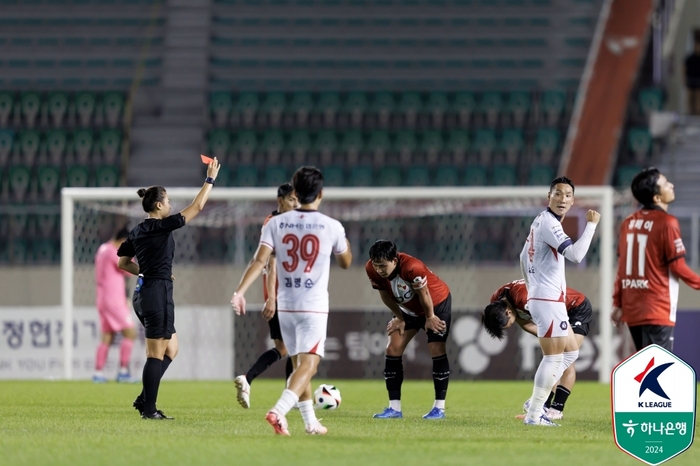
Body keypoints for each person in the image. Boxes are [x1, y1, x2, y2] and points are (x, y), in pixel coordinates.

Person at [230, 166, 352, 436]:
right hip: (313, 306)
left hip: (285, 306)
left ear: (296, 192)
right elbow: (345, 262)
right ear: (320, 194)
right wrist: (343, 242)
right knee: (309, 365)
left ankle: (310, 423)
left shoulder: (275, 223)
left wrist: (239, 292)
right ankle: (278, 411)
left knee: (298, 364)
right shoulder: (331, 225)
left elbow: (259, 261)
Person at [117, 157, 220, 420]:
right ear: (159, 205)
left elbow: (122, 262)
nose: (171, 205)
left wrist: (146, 271)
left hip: (144, 293)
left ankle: (145, 398)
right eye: (169, 201)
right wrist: (209, 179)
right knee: (155, 355)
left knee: (171, 349)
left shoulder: (137, 231)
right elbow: (197, 206)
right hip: (156, 292)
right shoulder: (161, 226)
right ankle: (149, 410)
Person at [519, 176, 599, 426]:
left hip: (546, 297)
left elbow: (522, 256)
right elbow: (575, 255)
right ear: (549, 197)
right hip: (548, 298)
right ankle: (535, 414)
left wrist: (530, 288)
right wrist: (591, 225)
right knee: (553, 358)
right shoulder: (549, 223)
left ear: (573, 200)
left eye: (568, 195)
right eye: (558, 194)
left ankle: (535, 403)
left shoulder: (540, 220)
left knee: (571, 352)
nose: (563, 199)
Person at [612, 168, 700, 351]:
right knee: (658, 366)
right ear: (657, 198)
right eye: (666, 184)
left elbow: (622, 268)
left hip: (633, 309)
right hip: (657, 307)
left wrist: (617, 303)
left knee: (647, 363)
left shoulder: (628, 223)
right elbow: (677, 266)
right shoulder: (667, 222)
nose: (671, 185)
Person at [482, 279, 593, 420]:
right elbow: (524, 322)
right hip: (554, 310)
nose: (509, 326)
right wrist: (548, 338)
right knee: (554, 358)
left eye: (508, 324)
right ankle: (541, 408)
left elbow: (548, 319)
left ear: (508, 312)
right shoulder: (497, 301)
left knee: (566, 358)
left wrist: (553, 338)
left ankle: (555, 410)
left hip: (576, 307)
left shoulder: (524, 299)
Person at [365, 239, 451, 420]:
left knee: (436, 348)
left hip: (436, 305)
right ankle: (394, 408)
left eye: (383, 266)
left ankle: (439, 408)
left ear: (394, 260)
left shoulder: (412, 267)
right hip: (408, 309)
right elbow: (385, 296)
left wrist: (430, 317)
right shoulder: (371, 268)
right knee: (392, 348)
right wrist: (400, 317)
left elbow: (424, 293)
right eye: (376, 265)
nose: (379, 270)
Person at [234, 183, 299, 409]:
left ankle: (248, 379)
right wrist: (272, 298)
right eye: (291, 200)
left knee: (284, 348)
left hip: (281, 294)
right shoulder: (276, 223)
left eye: (298, 200)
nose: (296, 204)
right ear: (281, 200)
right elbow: (271, 263)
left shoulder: (272, 221)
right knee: (295, 349)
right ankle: (291, 397)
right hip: (283, 296)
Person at [93, 226, 138, 383]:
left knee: (107, 335)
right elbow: (128, 269)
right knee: (130, 333)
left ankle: (98, 373)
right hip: (114, 300)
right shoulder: (114, 251)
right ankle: (123, 372)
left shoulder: (102, 249)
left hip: (102, 299)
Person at [685, 31, 700, 115]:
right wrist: (684, 78)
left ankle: (698, 112)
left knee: (698, 97)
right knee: (690, 96)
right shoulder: (690, 58)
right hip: (691, 79)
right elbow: (684, 67)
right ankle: (690, 112)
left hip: (698, 79)